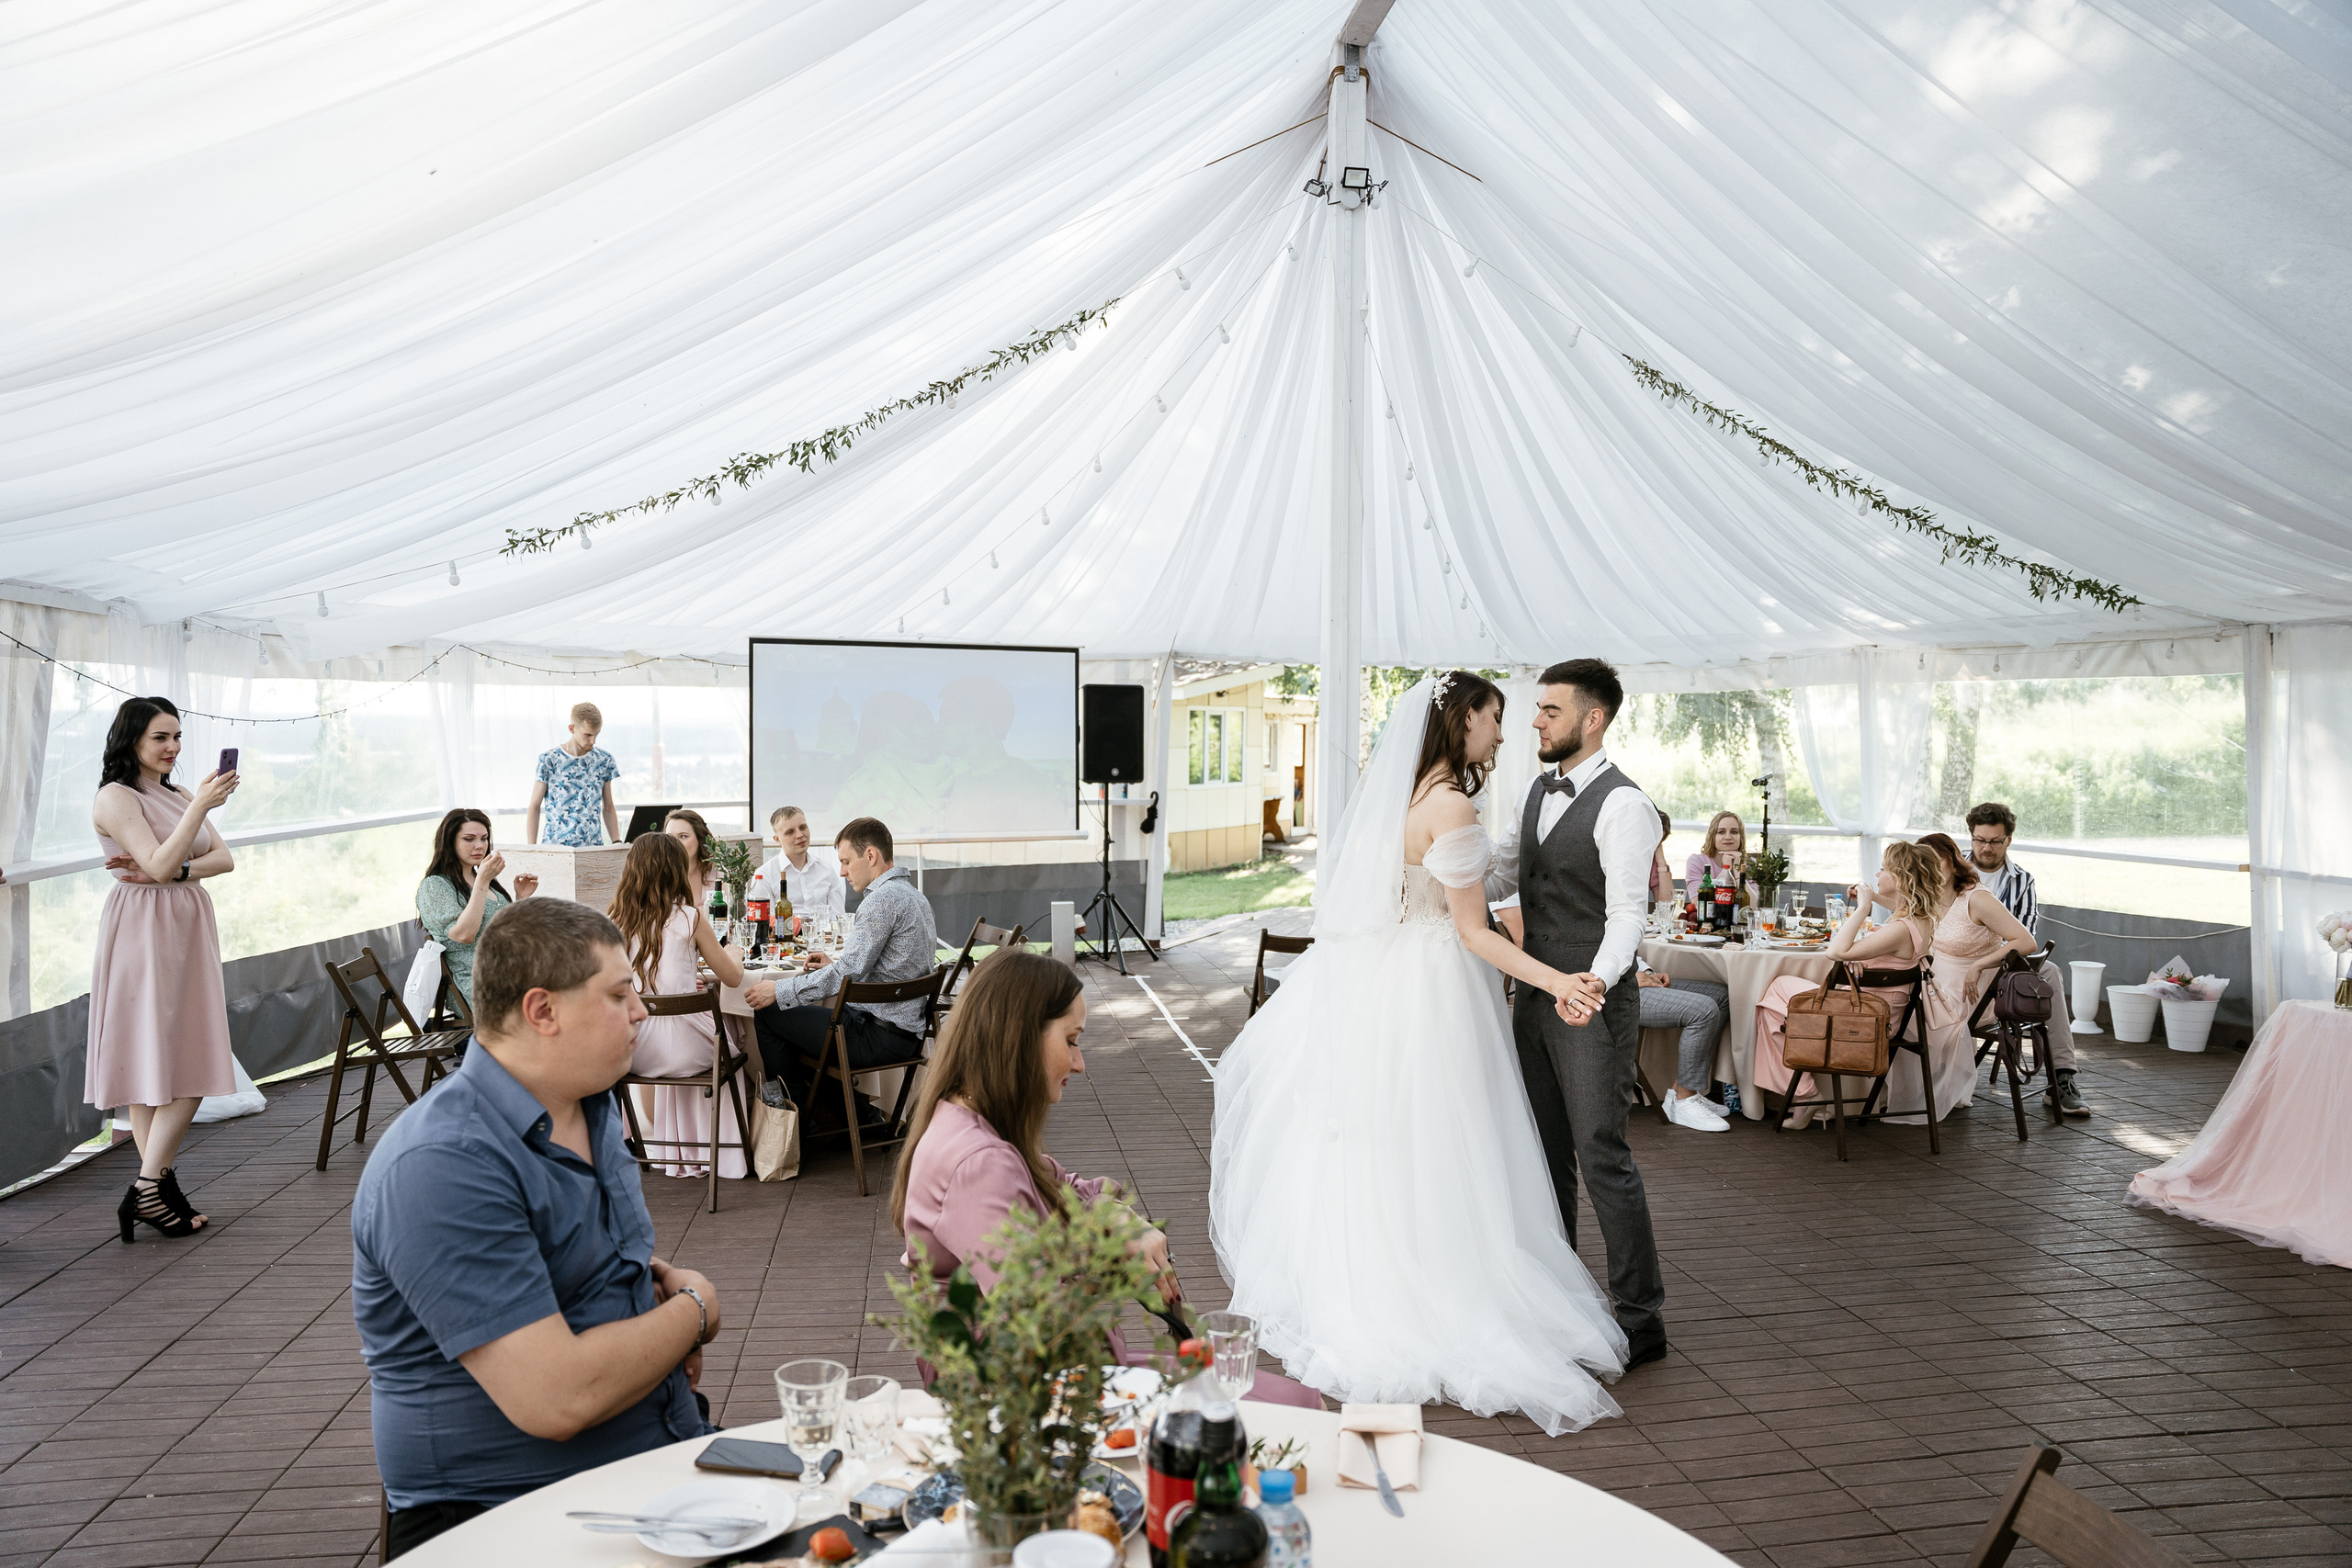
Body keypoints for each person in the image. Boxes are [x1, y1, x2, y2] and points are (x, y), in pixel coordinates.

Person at [1213, 671, 1630, 1436]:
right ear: (1463, 718)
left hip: (1386, 986)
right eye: (1494, 717)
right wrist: (1558, 979)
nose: (1503, 733)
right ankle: (1444, 1290)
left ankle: (1376, 1284)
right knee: (1451, 1144)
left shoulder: (1402, 800)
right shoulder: (1452, 805)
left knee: (1389, 1148)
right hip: (1438, 992)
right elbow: (1475, 930)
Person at [351, 897, 718, 1559]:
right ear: (542, 1010)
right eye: (618, 993)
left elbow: (572, 1258)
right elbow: (557, 1397)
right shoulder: (444, 1161)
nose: (640, 1010)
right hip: (510, 1516)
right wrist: (693, 1309)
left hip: (651, 1467)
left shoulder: (592, 1102)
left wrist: (650, 1288)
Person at [1485, 658, 1670, 1371]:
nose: (1535, 720)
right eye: (1536, 709)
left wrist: (1593, 980)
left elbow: (1630, 913)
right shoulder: (1536, 789)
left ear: (1592, 720)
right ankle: (1560, 1302)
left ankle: (1641, 1315)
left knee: (1601, 1154)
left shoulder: (1626, 806)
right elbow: (1506, 871)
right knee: (1545, 1153)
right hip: (1533, 995)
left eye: (1550, 710)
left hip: (1590, 1002)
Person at [88, 697, 241, 1241]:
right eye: (161, 737)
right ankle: (150, 1186)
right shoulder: (117, 797)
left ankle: (157, 1183)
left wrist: (172, 868)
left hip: (183, 922)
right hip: (144, 932)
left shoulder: (175, 791)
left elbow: (222, 860)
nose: (173, 747)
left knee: (173, 1052)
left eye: (176, 736)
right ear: (131, 740)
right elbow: (152, 865)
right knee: (172, 1054)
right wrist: (197, 813)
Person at [743, 817, 938, 1121]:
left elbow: (847, 973)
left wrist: (778, 989)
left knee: (770, 1013)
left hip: (878, 1036)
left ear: (870, 856)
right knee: (796, 1024)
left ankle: (795, 1125)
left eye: (846, 861)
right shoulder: (915, 896)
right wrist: (836, 964)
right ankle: (857, 1119)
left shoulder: (881, 901)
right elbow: (881, 968)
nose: (843, 871)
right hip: (904, 1032)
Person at [1753, 842, 1948, 1129]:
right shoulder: (1923, 918)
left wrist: (1863, 909)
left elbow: (1836, 952)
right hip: (1880, 1010)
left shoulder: (1898, 930)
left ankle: (1805, 1094)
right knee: (1779, 1004)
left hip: (1861, 1017)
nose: (1878, 873)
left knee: (1774, 993)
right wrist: (1865, 959)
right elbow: (1896, 916)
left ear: (1902, 878)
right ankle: (1805, 1094)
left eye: (1884, 869)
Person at [608, 832, 748, 1179]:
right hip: (684, 1052)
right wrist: (736, 952)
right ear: (676, 870)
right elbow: (731, 978)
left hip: (634, 1051)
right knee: (735, 1050)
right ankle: (728, 1158)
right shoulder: (691, 917)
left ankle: (677, 1150)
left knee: (691, 1044)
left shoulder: (614, 920)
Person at [1639, 813, 1734, 1131]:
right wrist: (1631, 974)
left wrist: (1646, 968)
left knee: (1721, 995)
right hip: (1610, 985)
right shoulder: (1602, 874)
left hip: (1634, 970)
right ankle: (1683, 1100)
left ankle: (1684, 1088)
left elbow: (1664, 902)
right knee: (1704, 1010)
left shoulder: (1636, 865)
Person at [416, 808, 539, 1010]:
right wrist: (483, 879)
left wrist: (520, 900)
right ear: (450, 842)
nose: (479, 846)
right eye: (469, 839)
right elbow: (464, 934)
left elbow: (509, 933)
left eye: (484, 839)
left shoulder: (484, 882)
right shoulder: (435, 885)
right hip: (481, 985)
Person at [527, 701, 620, 846]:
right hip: (555, 848)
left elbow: (608, 806)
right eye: (588, 735)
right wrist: (531, 848)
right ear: (572, 728)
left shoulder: (604, 760)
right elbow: (535, 805)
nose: (593, 741)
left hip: (592, 848)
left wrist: (617, 842)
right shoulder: (549, 760)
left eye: (596, 734)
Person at [745, 806, 846, 926]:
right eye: (790, 832)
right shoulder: (764, 874)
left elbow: (838, 919)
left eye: (803, 827)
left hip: (823, 941)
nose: (799, 835)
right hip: (784, 941)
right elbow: (767, 924)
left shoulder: (827, 870)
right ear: (777, 840)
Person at [1684, 810, 1746, 902]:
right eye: (1721, 832)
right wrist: (1726, 870)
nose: (1728, 837)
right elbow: (1699, 902)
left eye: (1734, 832)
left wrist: (1737, 870)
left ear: (1741, 837)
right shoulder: (1697, 861)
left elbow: (1753, 906)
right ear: (1713, 836)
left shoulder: (1750, 864)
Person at [662, 807, 721, 898]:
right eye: (669, 837)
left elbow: (728, 906)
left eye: (683, 836)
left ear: (700, 839)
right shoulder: (659, 873)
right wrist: (701, 910)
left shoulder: (717, 870)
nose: (674, 843)